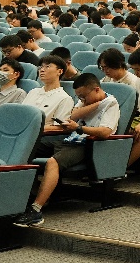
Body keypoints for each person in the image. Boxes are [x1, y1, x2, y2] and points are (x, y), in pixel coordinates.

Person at [13, 73, 121, 227]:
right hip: (70, 139)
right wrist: (94, 104)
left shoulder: (111, 104)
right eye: (79, 97)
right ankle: (27, 196)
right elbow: (73, 115)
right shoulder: (89, 99)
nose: (82, 100)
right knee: (26, 147)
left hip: (88, 145)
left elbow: (105, 132)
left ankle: (35, 210)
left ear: (97, 89)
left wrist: (79, 128)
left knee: (53, 162)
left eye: (84, 97)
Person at [23, 55, 75, 132]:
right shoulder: (33, 91)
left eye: (47, 66)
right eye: (41, 67)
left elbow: (61, 127)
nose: (42, 70)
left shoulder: (64, 98)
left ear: (59, 71)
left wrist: (32, 129)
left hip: (39, 135)